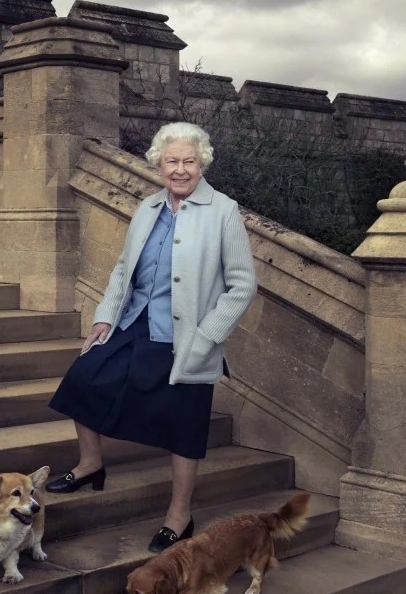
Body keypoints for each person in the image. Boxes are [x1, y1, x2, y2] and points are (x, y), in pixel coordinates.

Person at [46, 122, 257, 553]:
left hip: (186, 336)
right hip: (135, 322)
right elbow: (124, 268)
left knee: (184, 426)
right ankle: (90, 465)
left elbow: (242, 284)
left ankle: (179, 517)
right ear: (158, 164)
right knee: (83, 379)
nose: (179, 170)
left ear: (202, 164)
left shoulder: (223, 211)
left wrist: (208, 336)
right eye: (171, 162)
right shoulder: (147, 208)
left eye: (189, 162)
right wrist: (105, 317)